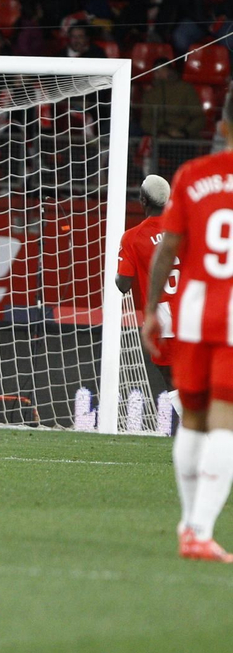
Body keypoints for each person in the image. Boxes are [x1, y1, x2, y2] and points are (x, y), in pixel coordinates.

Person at [144, 100, 233, 561]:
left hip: (195, 313)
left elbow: (167, 248)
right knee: (226, 421)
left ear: (221, 125)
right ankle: (199, 529)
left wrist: (152, 308)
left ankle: (188, 523)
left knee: (194, 420)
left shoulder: (194, 175)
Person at [117, 174, 180, 417]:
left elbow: (122, 284)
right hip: (194, 313)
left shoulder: (133, 237)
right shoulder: (186, 228)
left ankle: (197, 439)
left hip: (164, 320)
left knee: (173, 382)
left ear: (143, 200)